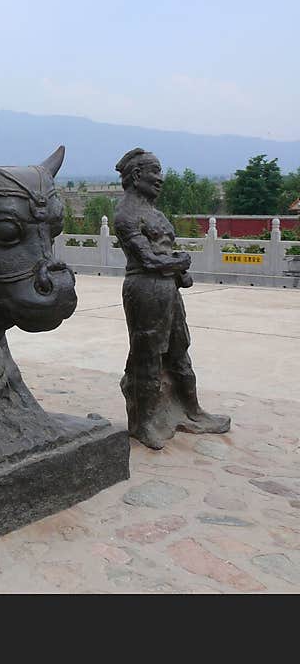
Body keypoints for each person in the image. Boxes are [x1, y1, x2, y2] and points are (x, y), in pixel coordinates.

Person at [114, 147, 230, 449]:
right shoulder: (126, 214)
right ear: (137, 175)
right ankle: (145, 422)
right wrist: (181, 263)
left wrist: (179, 273)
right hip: (145, 289)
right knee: (148, 355)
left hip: (168, 288)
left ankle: (191, 410)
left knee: (180, 348)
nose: (160, 179)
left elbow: (164, 254)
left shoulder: (155, 212)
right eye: (155, 171)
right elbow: (149, 260)